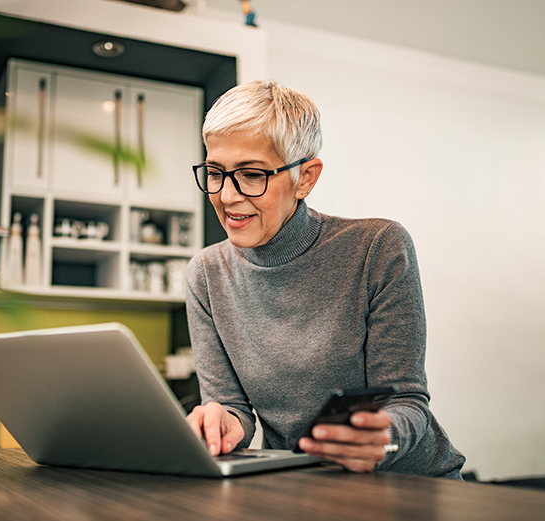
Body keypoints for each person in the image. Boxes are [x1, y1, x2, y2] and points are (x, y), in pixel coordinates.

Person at [184, 79, 465, 479]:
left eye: (251, 174)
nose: (227, 196)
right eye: (215, 172)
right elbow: (233, 409)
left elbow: (407, 401)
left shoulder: (377, 247)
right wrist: (224, 424)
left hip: (410, 485)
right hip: (301, 486)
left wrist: (381, 439)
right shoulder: (207, 274)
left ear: (306, 178)